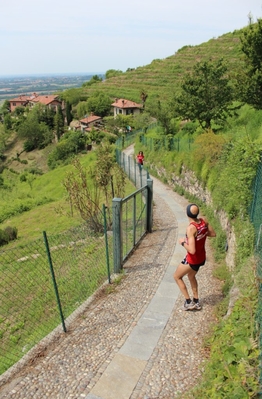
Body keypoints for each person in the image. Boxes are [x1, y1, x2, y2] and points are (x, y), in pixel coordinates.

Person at [174, 203, 216, 311]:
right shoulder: (204, 221)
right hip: (201, 257)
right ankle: (196, 301)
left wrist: (183, 242)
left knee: (177, 277)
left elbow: (192, 250)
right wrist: (201, 234)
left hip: (193, 259)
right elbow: (212, 234)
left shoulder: (191, 228)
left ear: (187, 214)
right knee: (191, 276)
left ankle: (188, 302)